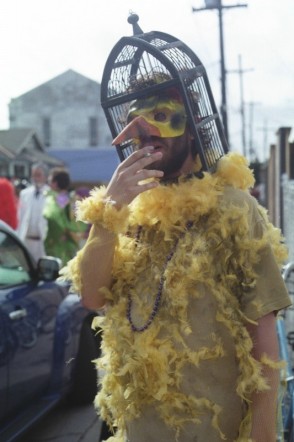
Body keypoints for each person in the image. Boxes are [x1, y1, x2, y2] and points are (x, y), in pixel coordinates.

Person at [63, 15, 291, 442]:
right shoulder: (125, 212)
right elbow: (93, 296)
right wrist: (108, 212)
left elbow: (265, 351)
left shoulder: (236, 209)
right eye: (137, 123)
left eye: (162, 116)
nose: (146, 133)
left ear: (192, 126)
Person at [43, 167, 87, 266]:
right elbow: (82, 223)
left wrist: (63, 232)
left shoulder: (52, 200)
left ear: (55, 183)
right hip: (72, 245)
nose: (49, 183)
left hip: (56, 244)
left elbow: (51, 217)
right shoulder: (74, 200)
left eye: (50, 180)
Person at [17, 163, 49, 262]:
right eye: (34, 175)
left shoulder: (52, 193)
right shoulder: (24, 193)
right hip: (26, 238)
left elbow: (64, 204)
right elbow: (20, 216)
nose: (35, 178)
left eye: (38, 175)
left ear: (45, 177)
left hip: (42, 240)